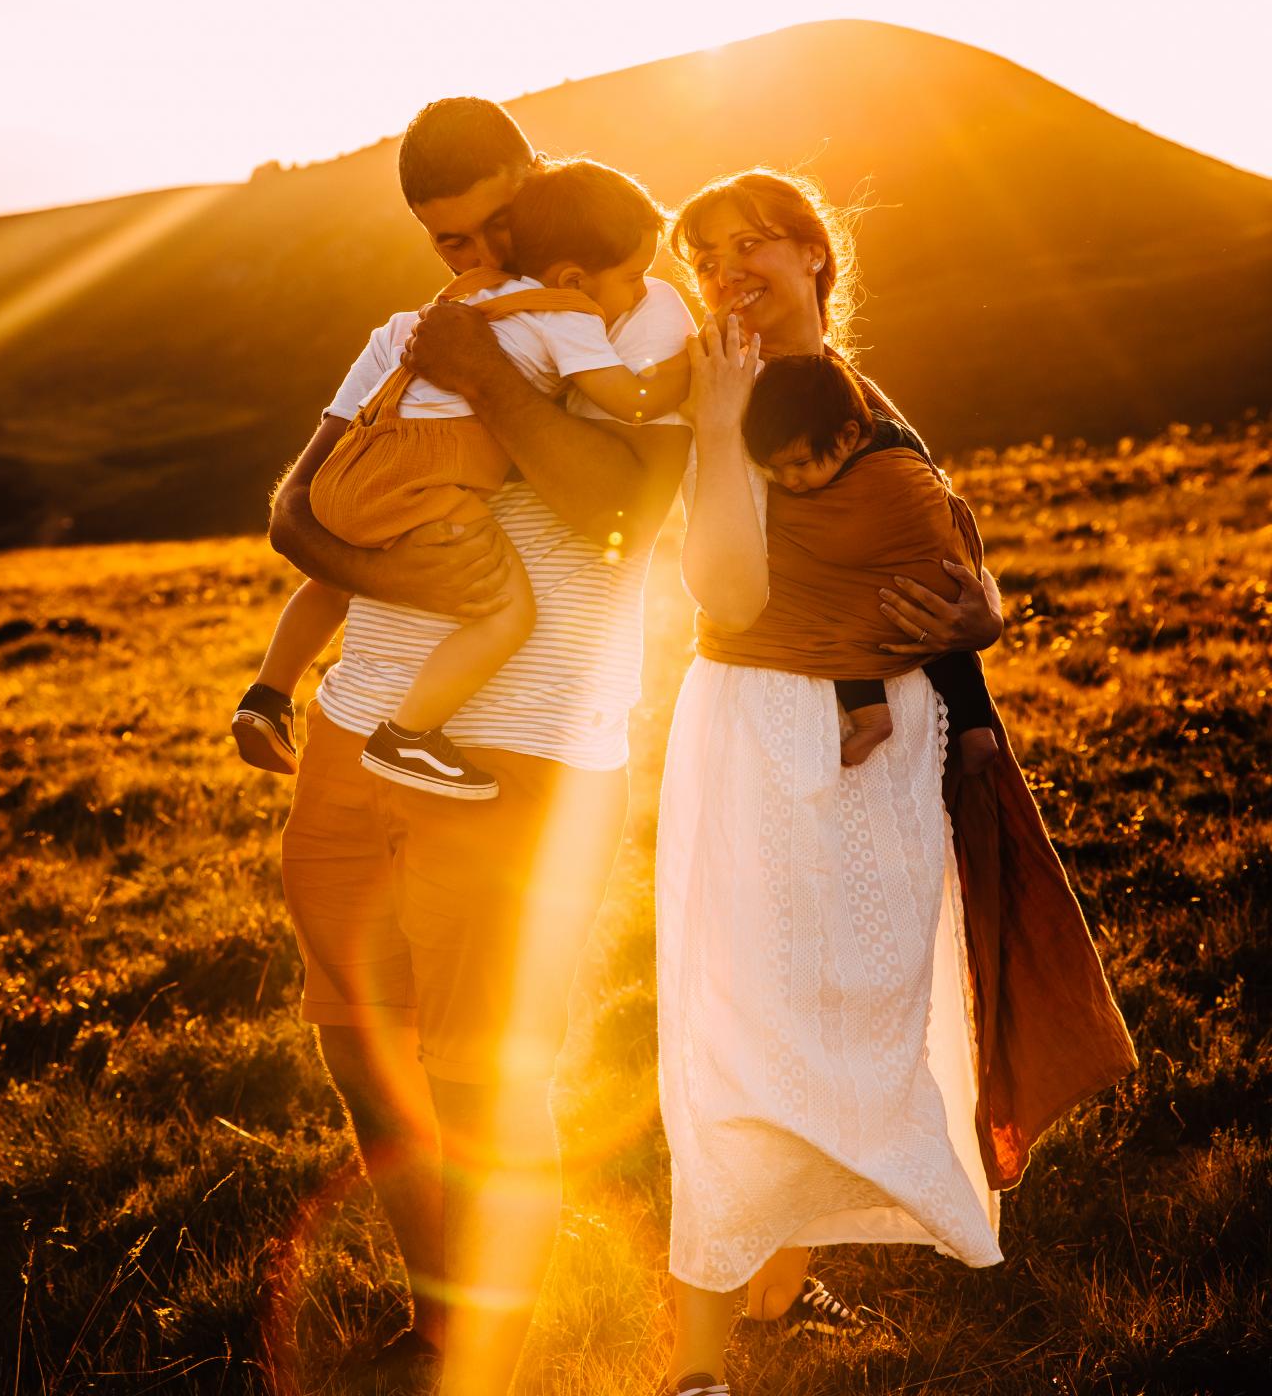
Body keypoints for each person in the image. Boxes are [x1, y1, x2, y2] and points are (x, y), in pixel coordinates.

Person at [655, 169, 1135, 1396]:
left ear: (818, 258)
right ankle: (701, 1364)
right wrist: (713, 433)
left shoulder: (871, 407)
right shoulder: (706, 396)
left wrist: (978, 617)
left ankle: (774, 1278)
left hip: (888, 737)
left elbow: (933, 564)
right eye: (704, 255)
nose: (727, 270)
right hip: (757, 731)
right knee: (738, 1027)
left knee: (863, 1011)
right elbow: (726, 595)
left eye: (754, 242)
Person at [267, 98, 694, 1396]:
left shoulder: (643, 319)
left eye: (491, 226)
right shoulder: (406, 335)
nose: (471, 259)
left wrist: (492, 369)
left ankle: (487, 1364)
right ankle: (439, 1323)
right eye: (444, 242)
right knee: (360, 1052)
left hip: (530, 761)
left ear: (541, 182)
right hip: (356, 740)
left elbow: (620, 509)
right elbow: (294, 510)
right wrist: (401, 572)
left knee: (489, 1084)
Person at [233, 159, 688, 794]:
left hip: (365, 463)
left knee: (332, 577)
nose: (482, 252)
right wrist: (688, 372)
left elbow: (300, 508)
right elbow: (628, 401)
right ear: (576, 274)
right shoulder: (569, 314)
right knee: (507, 612)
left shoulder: (456, 301)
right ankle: (409, 736)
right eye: (452, 240)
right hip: (433, 472)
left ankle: (267, 694)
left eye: (499, 226)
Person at [740, 350, 999, 774]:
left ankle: (873, 718)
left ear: (846, 437)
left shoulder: (884, 455)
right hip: (927, 593)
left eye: (800, 464)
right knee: (949, 645)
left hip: (917, 582)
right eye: (775, 471)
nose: (790, 482)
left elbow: (933, 498)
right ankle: (976, 728)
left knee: (841, 621)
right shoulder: (893, 435)